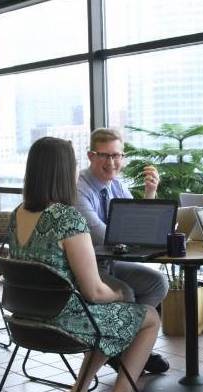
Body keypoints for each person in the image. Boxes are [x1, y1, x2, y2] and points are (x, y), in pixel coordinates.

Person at [8, 137, 162, 392]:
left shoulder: (17, 214)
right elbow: (94, 291)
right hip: (63, 323)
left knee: (111, 317)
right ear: (63, 171)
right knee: (147, 317)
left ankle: (78, 391)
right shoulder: (67, 218)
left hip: (25, 321)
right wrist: (120, 294)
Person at [75, 128, 170, 374]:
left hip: (109, 264)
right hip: (85, 268)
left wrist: (150, 194)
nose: (112, 162)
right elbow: (102, 235)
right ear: (90, 156)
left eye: (117, 155)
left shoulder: (117, 185)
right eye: (105, 156)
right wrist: (134, 235)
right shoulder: (80, 189)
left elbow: (140, 224)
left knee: (157, 282)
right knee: (124, 291)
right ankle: (126, 352)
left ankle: (132, 349)